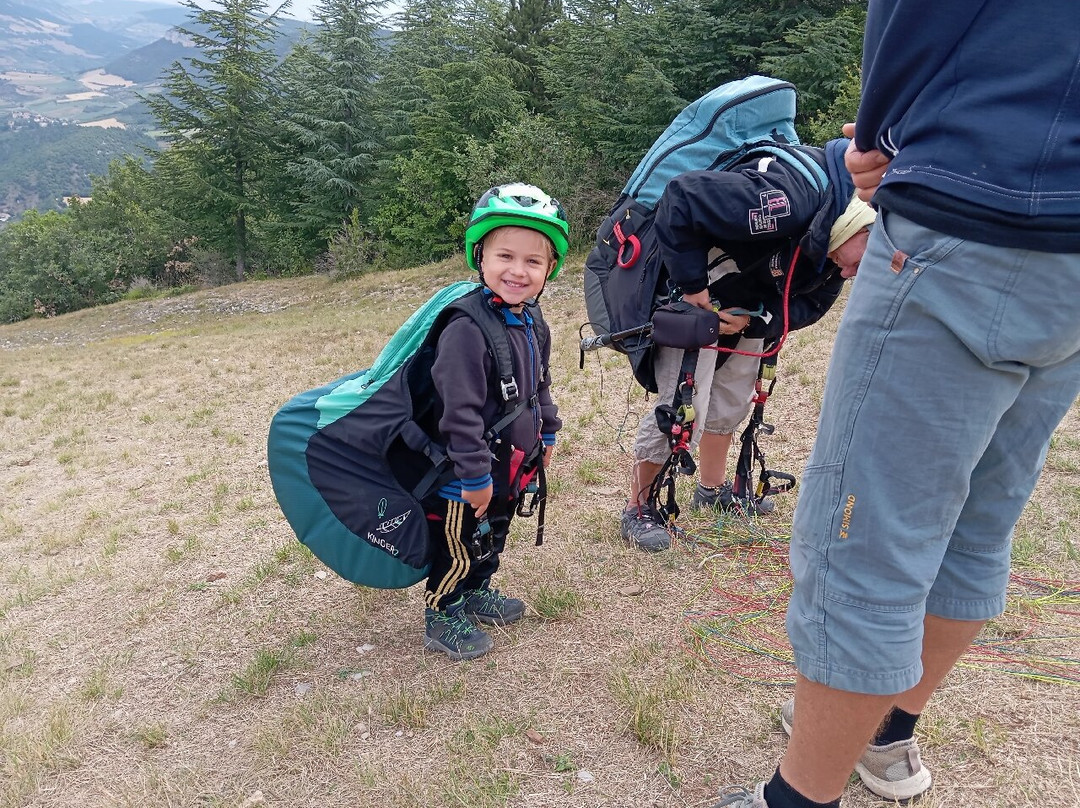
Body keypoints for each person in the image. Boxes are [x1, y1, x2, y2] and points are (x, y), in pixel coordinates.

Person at [717, 2, 1080, 807]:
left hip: (967, 218)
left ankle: (798, 798)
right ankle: (885, 737)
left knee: (862, 540)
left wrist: (882, 131)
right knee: (977, 521)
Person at [621, 139, 876, 552]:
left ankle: (712, 488)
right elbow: (681, 198)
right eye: (860, 260)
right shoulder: (787, 200)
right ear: (860, 227)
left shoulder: (834, 250)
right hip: (688, 293)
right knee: (684, 406)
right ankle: (640, 507)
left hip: (747, 306)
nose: (850, 274)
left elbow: (805, 305)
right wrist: (694, 290)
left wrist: (757, 317)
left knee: (733, 400)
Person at [422, 183, 567, 660]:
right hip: (466, 473)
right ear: (480, 256)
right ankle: (444, 608)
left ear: (550, 269)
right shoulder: (466, 329)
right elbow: (456, 412)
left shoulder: (532, 320)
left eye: (533, 261)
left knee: (493, 534)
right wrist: (475, 478)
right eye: (505, 256)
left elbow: (539, 384)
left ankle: (478, 589)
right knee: (459, 541)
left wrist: (547, 431)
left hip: (511, 463)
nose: (517, 271)